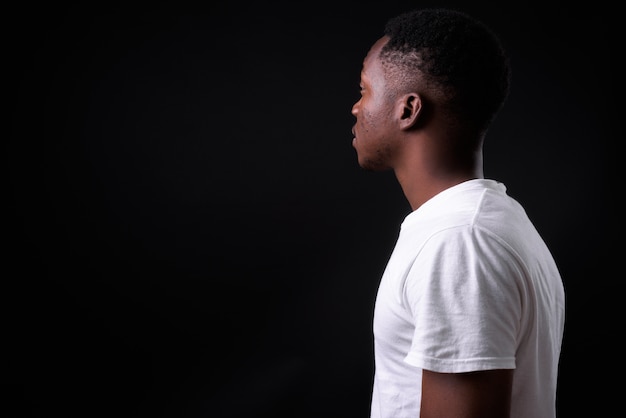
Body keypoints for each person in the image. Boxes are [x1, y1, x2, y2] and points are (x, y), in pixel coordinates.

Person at [350, 7, 565, 418]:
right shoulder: (488, 221)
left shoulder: (459, 242)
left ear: (408, 109)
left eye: (364, 90)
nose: (356, 108)